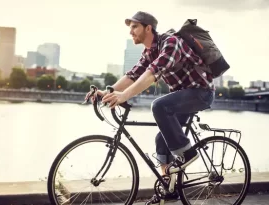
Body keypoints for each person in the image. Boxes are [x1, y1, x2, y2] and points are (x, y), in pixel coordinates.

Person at [87, 11, 215, 204]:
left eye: (134, 27)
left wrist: (124, 96)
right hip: (181, 97)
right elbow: (133, 74)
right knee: (162, 139)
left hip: (200, 93)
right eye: (130, 27)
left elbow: (151, 75)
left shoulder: (171, 42)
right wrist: (108, 92)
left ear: (148, 28)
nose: (131, 32)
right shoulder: (149, 51)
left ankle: (187, 153)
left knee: (159, 106)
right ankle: (169, 189)